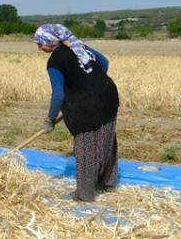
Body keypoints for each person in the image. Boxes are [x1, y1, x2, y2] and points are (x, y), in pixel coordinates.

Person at [35, 23, 119, 202]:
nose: (38, 47)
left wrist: (50, 119)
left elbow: (58, 95)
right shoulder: (76, 45)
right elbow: (104, 62)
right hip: (108, 94)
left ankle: (85, 194)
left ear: (49, 42)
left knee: (85, 146)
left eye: (40, 43)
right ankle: (107, 181)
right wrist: (92, 83)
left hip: (87, 106)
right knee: (106, 137)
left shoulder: (54, 62)